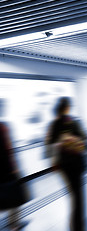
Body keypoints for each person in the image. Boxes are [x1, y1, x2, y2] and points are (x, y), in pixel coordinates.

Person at [47, 97, 87, 231]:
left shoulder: (54, 125)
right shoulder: (74, 122)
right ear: (68, 107)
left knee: (72, 194)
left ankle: (74, 224)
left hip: (63, 165)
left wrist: (54, 161)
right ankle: (77, 225)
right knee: (78, 195)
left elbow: (49, 146)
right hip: (76, 163)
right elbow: (84, 141)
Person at [0, 99, 29, 231]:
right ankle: (14, 225)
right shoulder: (4, 127)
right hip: (7, 169)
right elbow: (9, 150)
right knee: (15, 198)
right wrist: (16, 169)